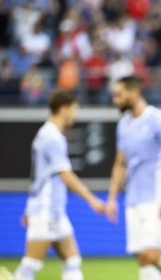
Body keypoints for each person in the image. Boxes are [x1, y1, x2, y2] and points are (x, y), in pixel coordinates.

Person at [14, 90, 105, 280]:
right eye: (74, 109)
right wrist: (92, 200)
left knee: (72, 262)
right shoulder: (52, 138)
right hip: (46, 210)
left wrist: (29, 208)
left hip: (52, 210)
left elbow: (36, 176)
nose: (75, 115)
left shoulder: (45, 134)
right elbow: (66, 175)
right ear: (63, 109)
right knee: (31, 266)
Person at [105, 75, 161, 280]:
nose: (115, 100)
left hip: (156, 199)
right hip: (133, 200)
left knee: (151, 255)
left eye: (119, 95)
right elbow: (120, 164)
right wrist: (112, 199)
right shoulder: (123, 126)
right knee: (143, 258)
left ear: (134, 93)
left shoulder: (157, 120)